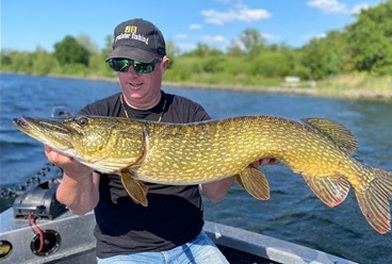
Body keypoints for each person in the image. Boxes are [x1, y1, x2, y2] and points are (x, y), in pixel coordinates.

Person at [44, 18, 277, 263]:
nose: (131, 74)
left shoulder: (190, 113)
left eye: (142, 65)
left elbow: (215, 193)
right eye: (121, 64)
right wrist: (75, 173)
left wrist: (241, 159)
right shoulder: (95, 117)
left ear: (163, 65)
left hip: (192, 241)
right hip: (123, 251)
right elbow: (80, 207)